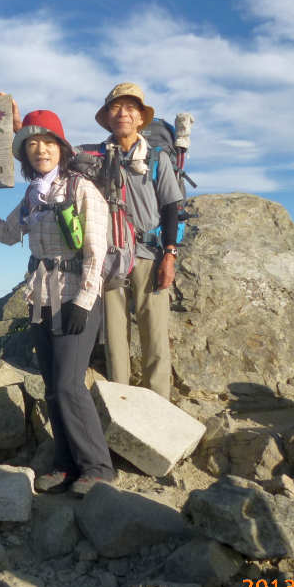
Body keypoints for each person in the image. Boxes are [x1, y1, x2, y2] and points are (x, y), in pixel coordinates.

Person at [0, 110, 114, 497]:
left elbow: (97, 251)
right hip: (41, 298)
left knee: (69, 386)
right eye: (31, 144)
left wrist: (85, 298)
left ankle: (97, 467)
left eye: (46, 142)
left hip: (74, 297)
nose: (39, 150)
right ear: (25, 154)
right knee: (50, 387)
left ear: (60, 147)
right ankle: (66, 465)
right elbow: (11, 233)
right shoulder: (34, 194)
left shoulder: (80, 189)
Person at [94, 83, 183, 399]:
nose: (123, 113)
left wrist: (170, 254)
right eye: (116, 108)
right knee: (115, 333)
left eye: (130, 108)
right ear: (108, 116)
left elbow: (171, 206)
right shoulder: (97, 157)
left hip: (148, 252)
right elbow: (54, 154)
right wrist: (22, 129)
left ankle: (160, 404)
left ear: (141, 117)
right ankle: (120, 404)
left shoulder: (157, 157)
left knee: (155, 333)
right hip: (111, 256)